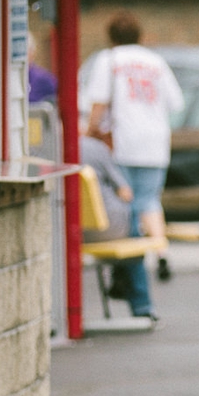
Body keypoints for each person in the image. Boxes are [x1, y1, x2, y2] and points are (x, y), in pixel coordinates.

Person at [82, 12, 185, 281]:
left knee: (125, 203)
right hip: (155, 142)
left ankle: (129, 271)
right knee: (149, 200)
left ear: (111, 37)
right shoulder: (156, 61)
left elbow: (99, 102)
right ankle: (161, 253)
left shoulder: (109, 59)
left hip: (123, 141)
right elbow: (176, 103)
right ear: (139, 36)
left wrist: (92, 129)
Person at [79, 133, 154, 320]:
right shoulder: (94, 147)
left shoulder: (48, 149)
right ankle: (141, 306)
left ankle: (120, 277)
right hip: (109, 227)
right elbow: (125, 192)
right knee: (133, 215)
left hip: (72, 232)